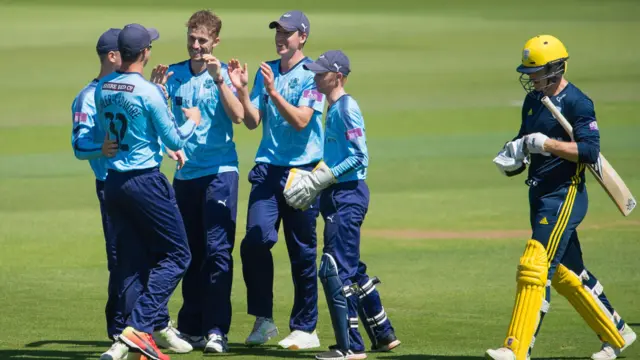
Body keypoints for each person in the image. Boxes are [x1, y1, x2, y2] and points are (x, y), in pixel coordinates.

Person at [487, 34, 636, 360]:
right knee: (570, 273)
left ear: (555, 69)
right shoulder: (534, 101)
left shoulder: (578, 103)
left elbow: (588, 150)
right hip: (539, 193)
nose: (530, 79)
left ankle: (516, 349)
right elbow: (527, 141)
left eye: (536, 73)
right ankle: (618, 332)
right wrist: (515, 155)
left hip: (565, 195)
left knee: (535, 265)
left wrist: (546, 144)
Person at [283, 50, 401, 360]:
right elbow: (337, 156)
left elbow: (360, 157)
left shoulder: (347, 108)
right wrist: (315, 176)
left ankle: (350, 347)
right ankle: (383, 333)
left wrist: (324, 179)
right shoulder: (332, 107)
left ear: (338, 76)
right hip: (337, 193)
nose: (316, 76)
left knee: (336, 270)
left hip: (347, 195)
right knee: (351, 267)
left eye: (321, 72)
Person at [94, 23, 201, 360]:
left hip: (114, 183)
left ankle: (124, 335)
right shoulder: (148, 92)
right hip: (145, 181)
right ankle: (140, 328)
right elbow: (175, 140)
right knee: (178, 254)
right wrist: (193, 121)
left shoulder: (103, 88)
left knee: (131, 261)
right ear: (144, 53)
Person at [150, 9, 244, 354]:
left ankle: (217, 330)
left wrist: (222, 80)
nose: (196, 45)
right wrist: (157, 92)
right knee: (187, 252)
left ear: (215, 41)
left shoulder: (222, 74)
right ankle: (190, 327)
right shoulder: (172, 75)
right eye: (191, 38)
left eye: (202, 40)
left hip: (220, 171)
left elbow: (239, 117)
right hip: (185, 175)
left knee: (218, 253)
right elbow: (158, 121)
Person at [231, 10, 325, 349]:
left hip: (303, 172)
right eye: (277, 32)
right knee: (254, 242)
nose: (280, 38)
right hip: (268, 169)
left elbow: (302, 120)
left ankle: (306, 328)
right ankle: (264, 320)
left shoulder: (314, 73)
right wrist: (244, 90)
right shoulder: (266, 71)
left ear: (302, 37)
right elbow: (253, 120)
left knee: (302, 252)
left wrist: (273, 91)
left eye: (287, 33)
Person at [71, 27, 130, 360]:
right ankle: (119, 331)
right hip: (110, 186)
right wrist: (102, 147)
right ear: (112, 56)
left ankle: (149, 324)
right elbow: (79, 145)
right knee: (121, 259)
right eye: (127, 49)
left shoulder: (130, 88)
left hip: (139, 183)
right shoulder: (87, 96)